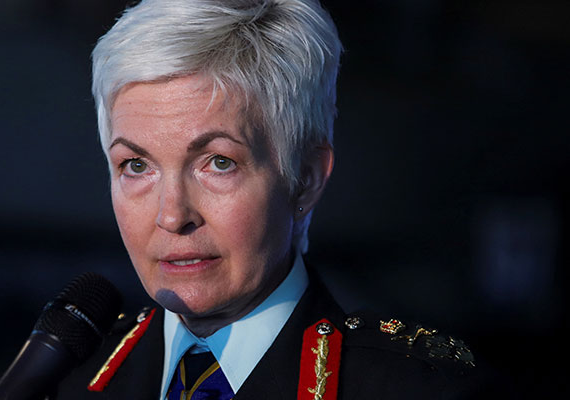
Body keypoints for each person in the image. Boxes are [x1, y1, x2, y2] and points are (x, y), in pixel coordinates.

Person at [53, 0, 486, 398]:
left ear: (306, 177)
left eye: (218, 162)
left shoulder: (414, 389)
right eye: (136, 165)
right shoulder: (65, 381)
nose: (171, 216)